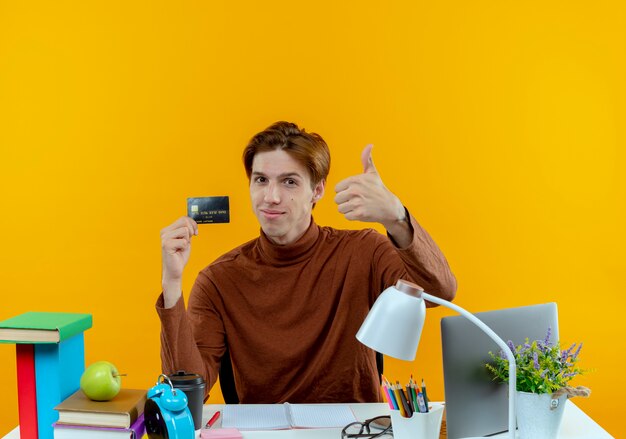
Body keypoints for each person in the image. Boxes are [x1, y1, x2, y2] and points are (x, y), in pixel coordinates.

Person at [156, 121, 456, 404]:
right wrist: (171, 284)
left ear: (317, 190)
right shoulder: (218, 281)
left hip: (355, 432)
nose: (271, 197)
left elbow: (440, 292)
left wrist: (397, 217)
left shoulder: (363, 251)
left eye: (289, 182)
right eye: (261, 180)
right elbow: (185, 396)